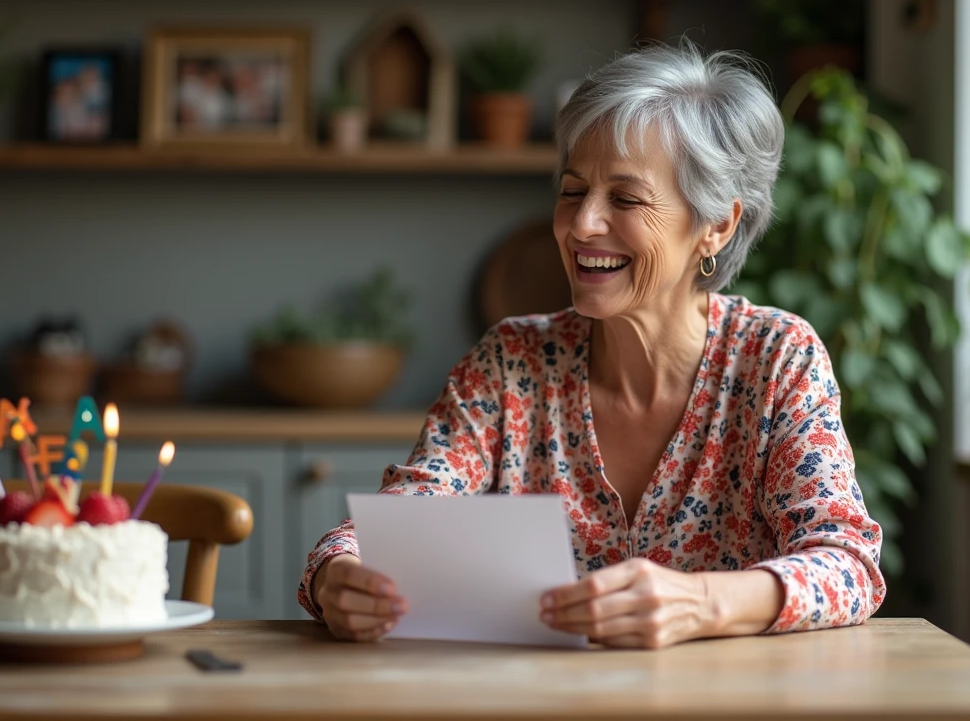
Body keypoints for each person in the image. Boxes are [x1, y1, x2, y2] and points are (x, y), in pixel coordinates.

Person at [298, 42, 885, 648]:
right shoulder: (510, 363)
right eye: (574, 191)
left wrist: (703, 602)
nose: (581, 225)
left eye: (626, 199)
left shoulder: (775, 358)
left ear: (717, 225)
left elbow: (847, 564)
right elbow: (394, 524)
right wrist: (339, 579)